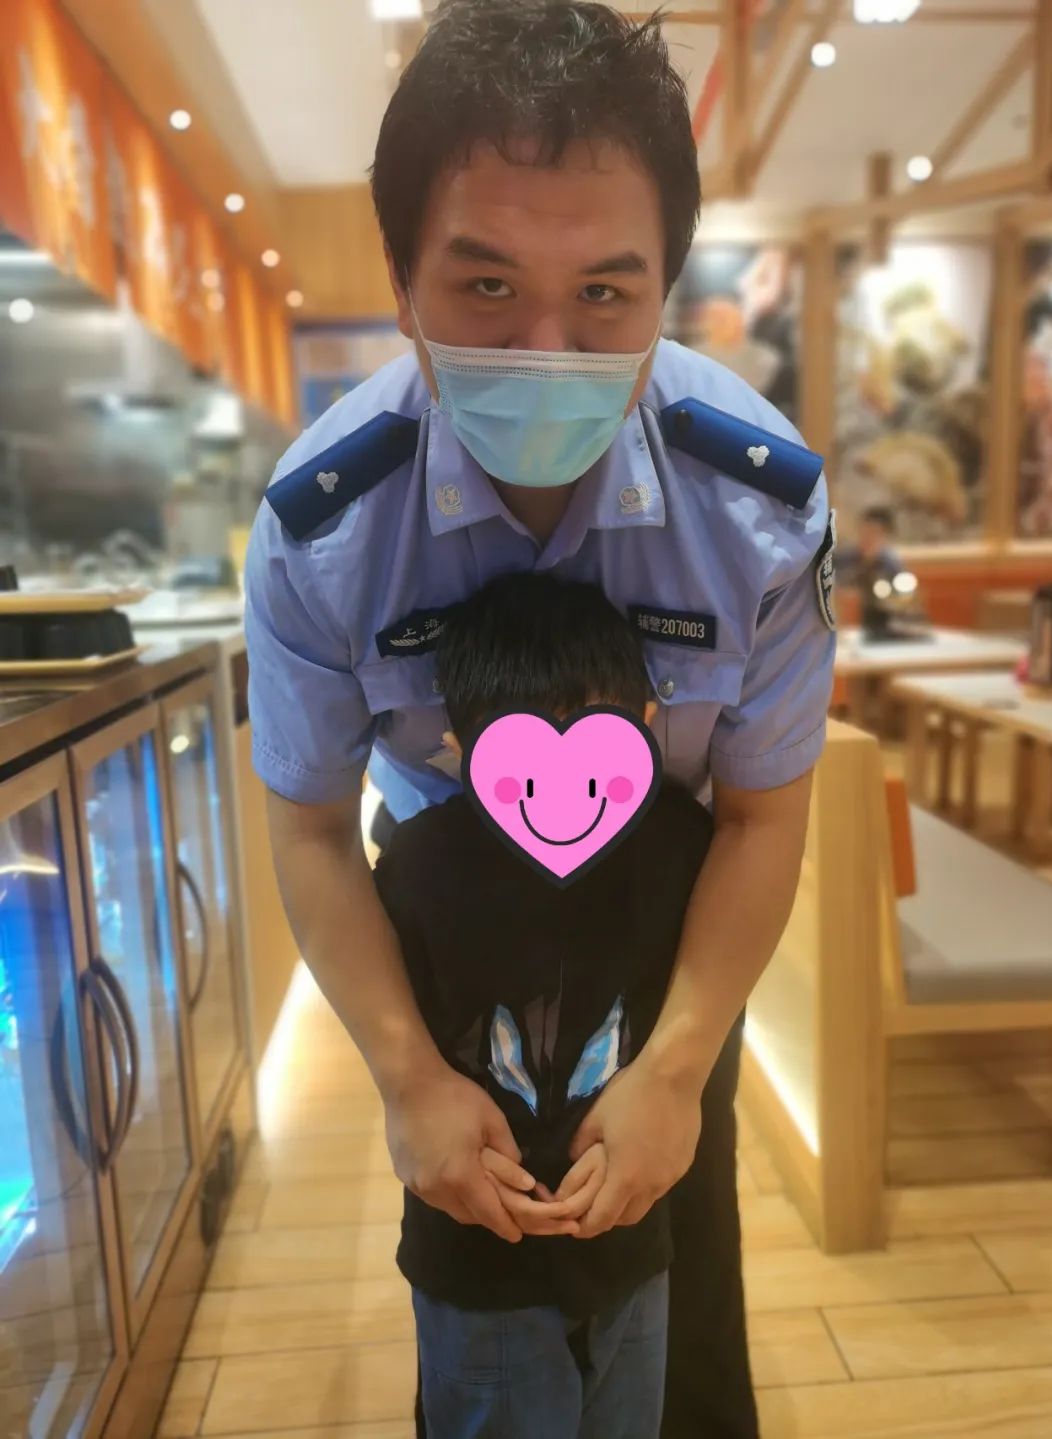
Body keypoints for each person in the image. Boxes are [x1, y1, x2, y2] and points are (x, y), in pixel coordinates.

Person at [244, 4, 836, 1435]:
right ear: (402, 281)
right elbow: (311, 830)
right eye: (489, 284)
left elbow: (764, 814)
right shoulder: (324, 526)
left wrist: (679, 1066)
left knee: (684, 1297)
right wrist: (405, 1075)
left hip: (667, 940)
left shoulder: (757, 509)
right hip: (451, 946)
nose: (548, 345)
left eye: (607, 294)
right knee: (475, 1299)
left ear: (669, 290)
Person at [372, 571, 714, 1438]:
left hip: (631, 1237)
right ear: (460, 751)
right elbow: (392, 1023)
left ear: (645, 728)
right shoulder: (419, 866)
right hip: (476, 1255)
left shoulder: (683, 846)